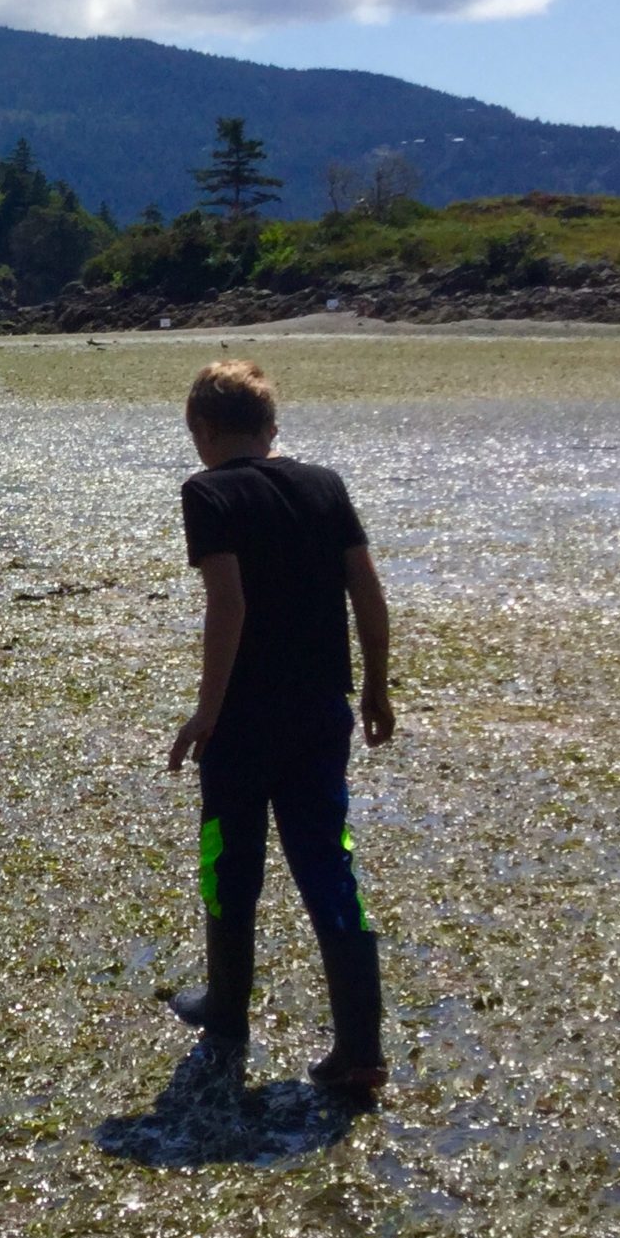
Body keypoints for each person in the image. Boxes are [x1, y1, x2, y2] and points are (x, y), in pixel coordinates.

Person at [164, 360, 395, 1101]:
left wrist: (207, 710)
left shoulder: (207, 492)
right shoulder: (324, 486)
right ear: (272, 430)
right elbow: (367, 590)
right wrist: (377, 688)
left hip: (246, 719)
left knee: (228, 859)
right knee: (329, 866)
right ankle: (360, 1048)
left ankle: (227, 1010)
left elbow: (227, 604)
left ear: (201, 431)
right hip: (323, 710)